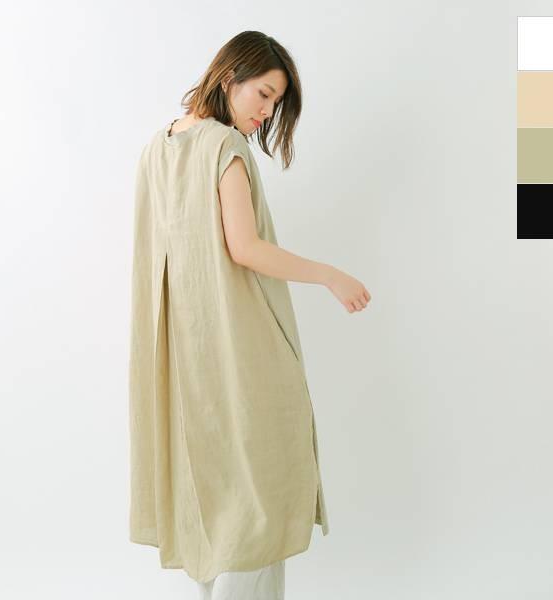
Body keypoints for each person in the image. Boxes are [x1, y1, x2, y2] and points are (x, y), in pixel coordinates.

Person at [128, 31, 371, 599]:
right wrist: (330, 275)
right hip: (239, 345)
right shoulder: (224, 146)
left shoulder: (156, 148)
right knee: (261, 500)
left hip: (183, 359)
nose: (265, 113)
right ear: (229, 76)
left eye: (274, 103)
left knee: (212, 500)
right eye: (263, 94)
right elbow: (245, 248)